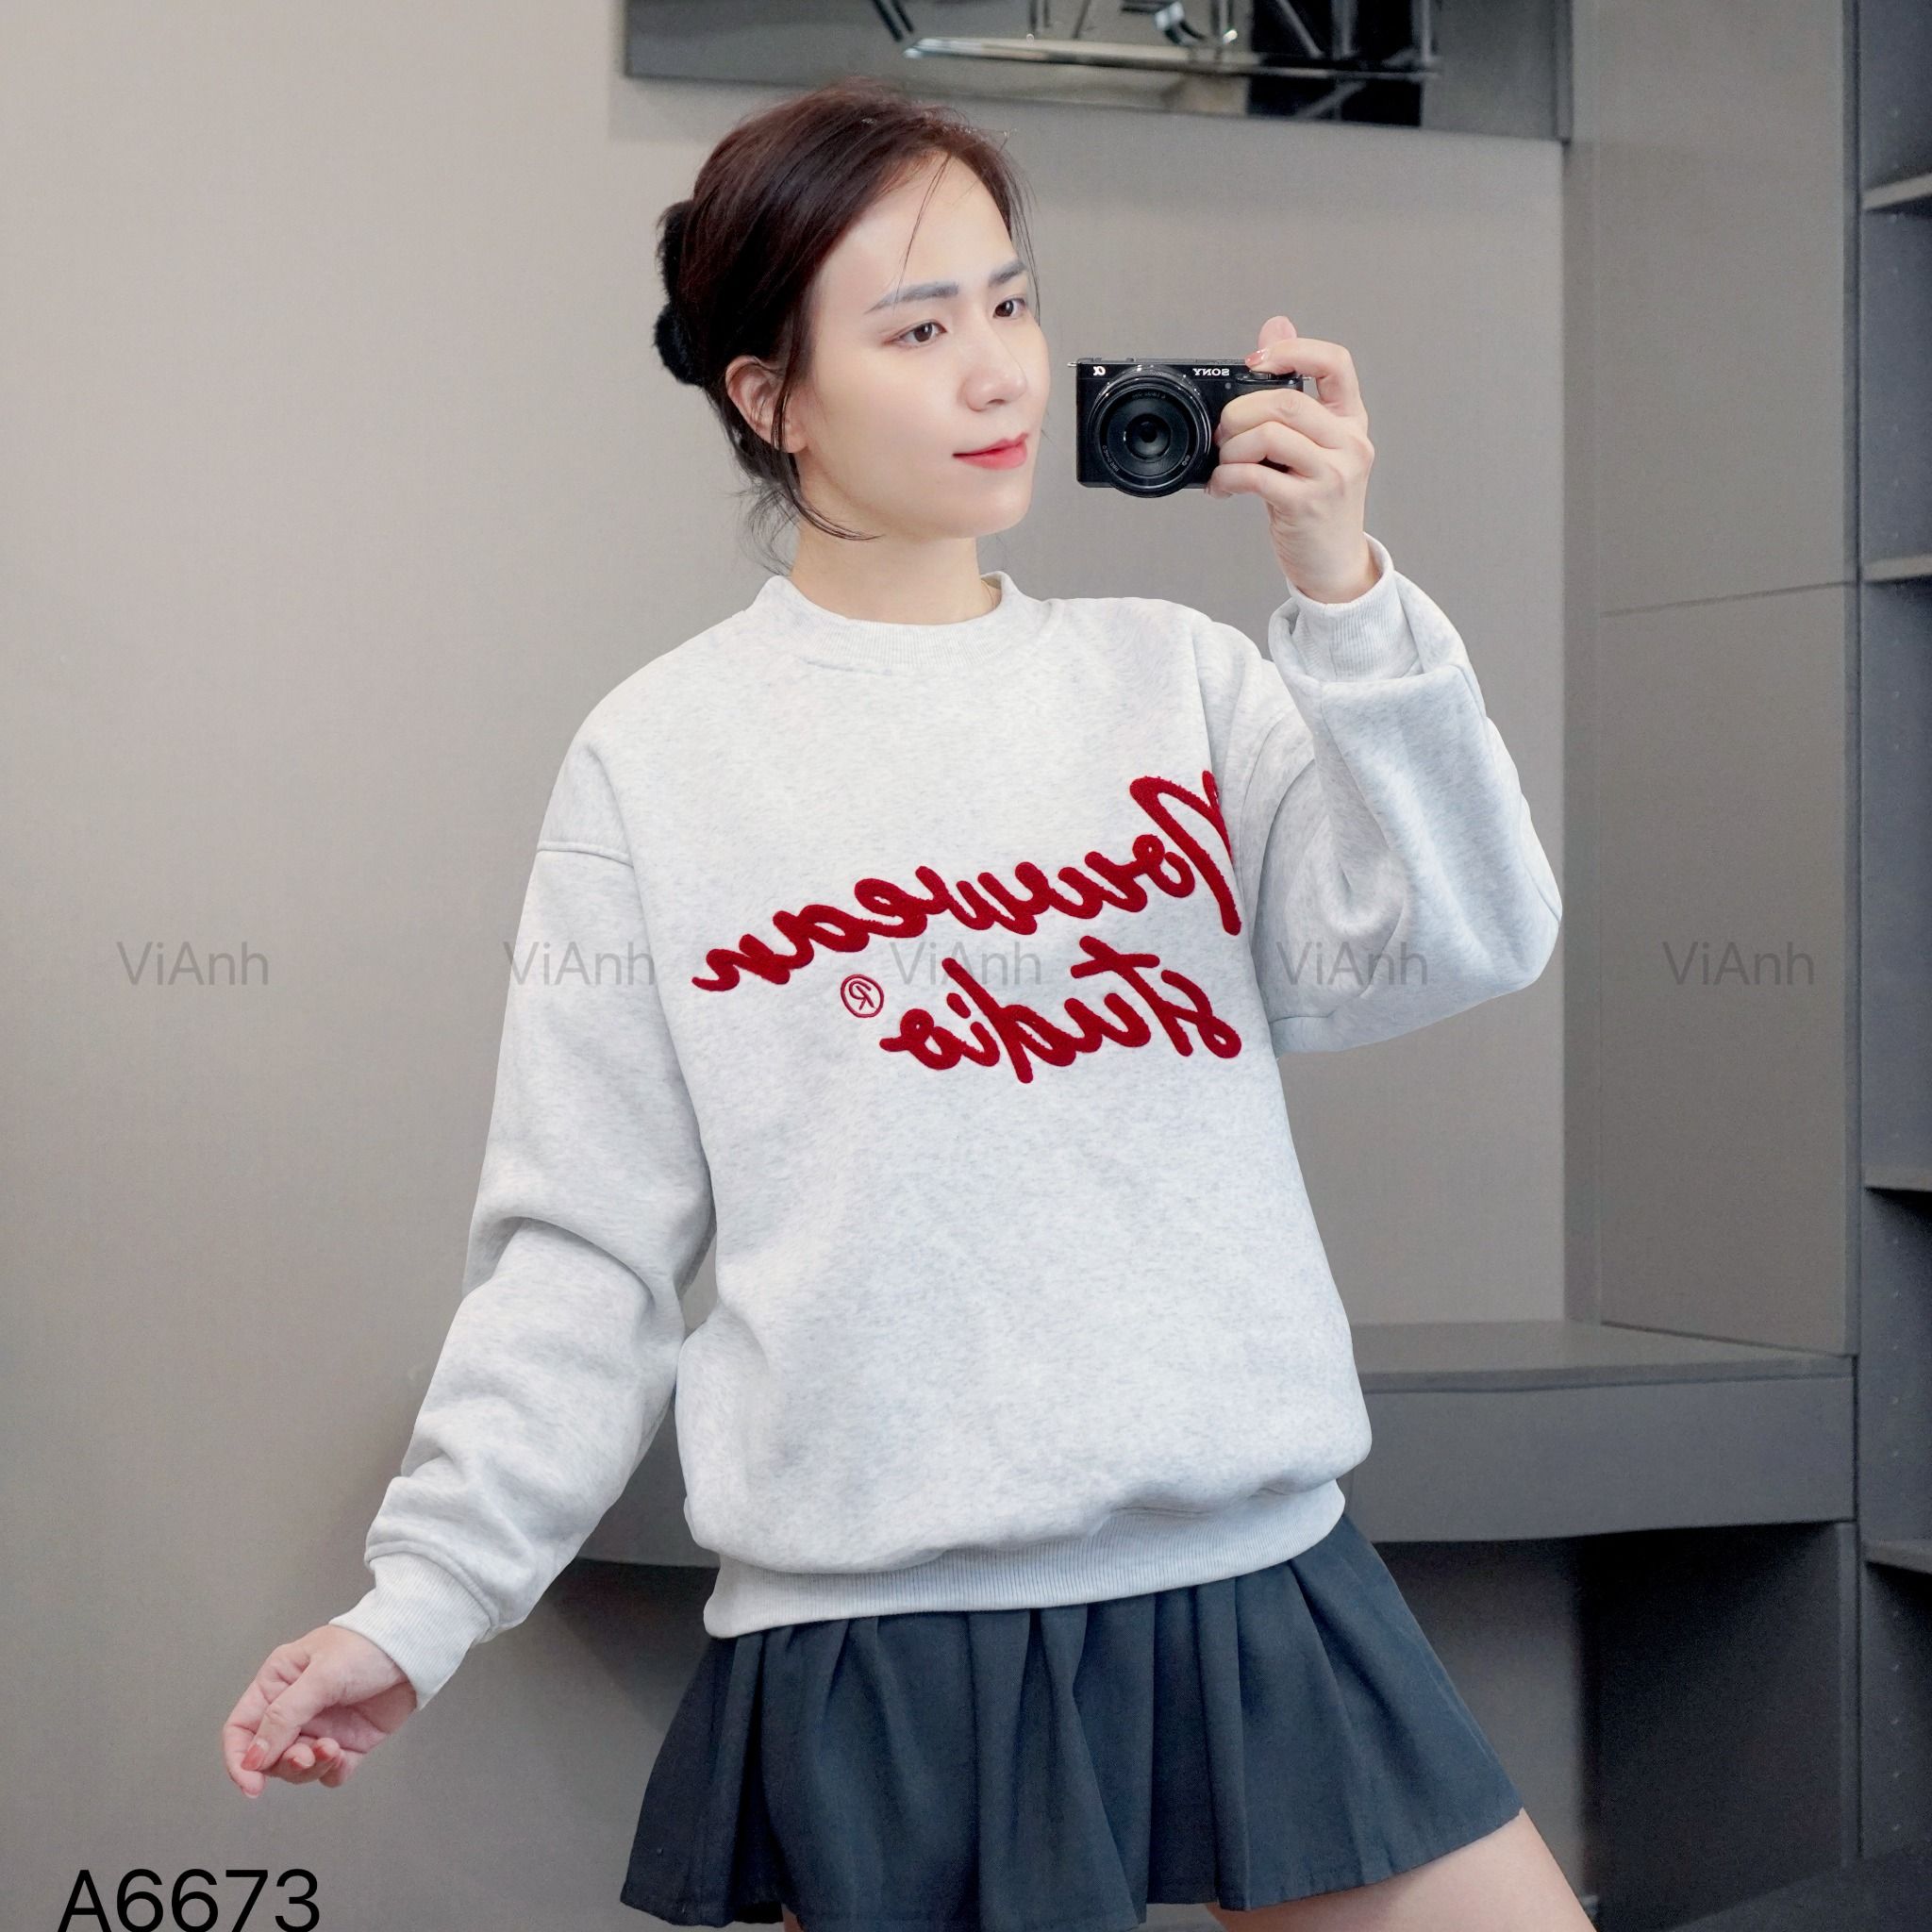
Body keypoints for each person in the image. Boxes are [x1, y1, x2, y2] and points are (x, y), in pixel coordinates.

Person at [221, 75, 1591, 1932]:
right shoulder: (662, 758)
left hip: (1255, 1573)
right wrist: (423, 1599)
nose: (997, 369)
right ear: (768, 396)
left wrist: (1343, 595)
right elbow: (581, 1253)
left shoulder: (1178, 682)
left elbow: (1471, 932)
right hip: (885, 1640)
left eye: (1010, 304)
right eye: (919, 328)